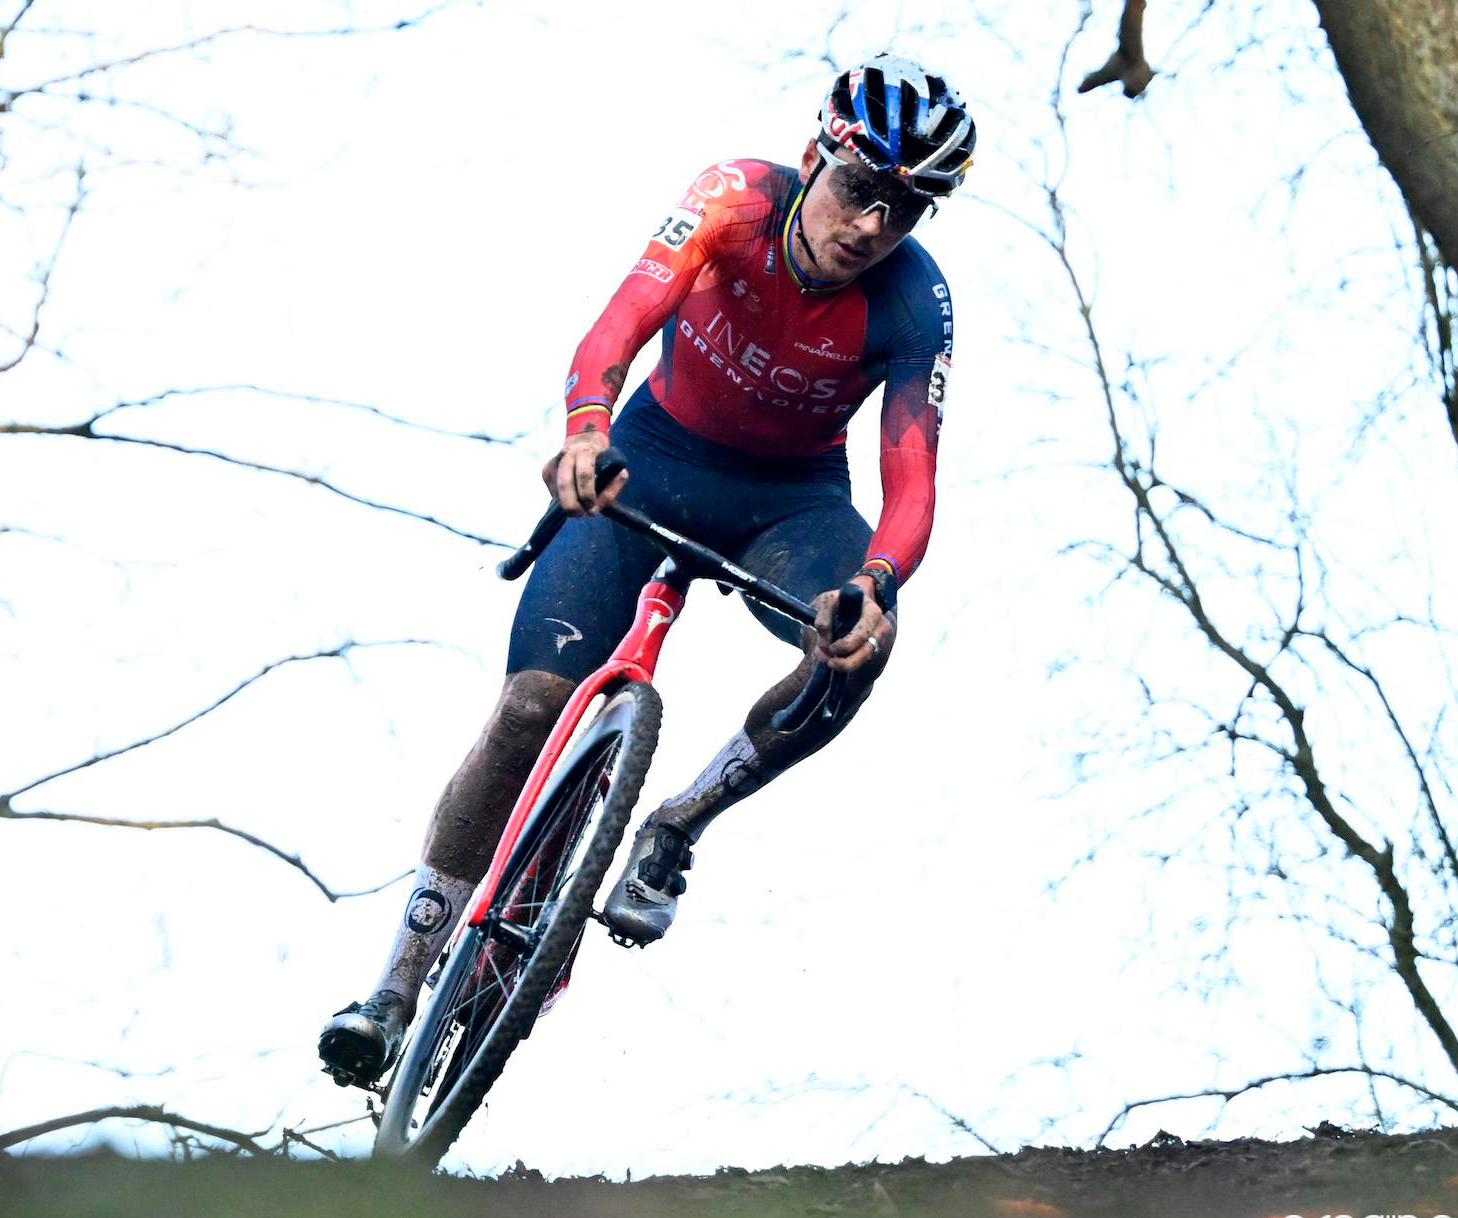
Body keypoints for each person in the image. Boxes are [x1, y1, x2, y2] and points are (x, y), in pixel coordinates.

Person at [319, 54, 976, 1086]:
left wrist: (878, 583)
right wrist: (585, 434)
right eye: (861, 188)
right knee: (530, 707)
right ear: (816, 157)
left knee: (854, 651)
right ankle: (396, 987)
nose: (872, 226)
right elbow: (618, 325)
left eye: (907, 209)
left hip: (790, 507)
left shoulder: (915, 303)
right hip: (649, 464)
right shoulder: (734, 197)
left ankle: (676, 825)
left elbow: (913, 477)